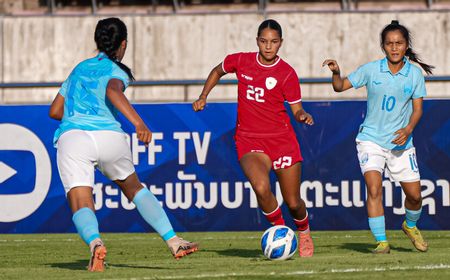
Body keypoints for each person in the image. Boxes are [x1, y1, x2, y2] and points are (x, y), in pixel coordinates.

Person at [49, 17, 198, 272]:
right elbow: (113, 90)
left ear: (97, 41)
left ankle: (96, 244)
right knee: (134, 188)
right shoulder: (117, 71)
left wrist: (78, 118)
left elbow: (55, 110)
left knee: (81, 200)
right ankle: (173, 241)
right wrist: (139, 124)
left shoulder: (79, 69)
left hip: (73, 138)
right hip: (109, 137)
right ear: (123, 44)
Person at [192, 19, 315, 257]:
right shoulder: (241, 60)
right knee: (260, 186)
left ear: (281, 43)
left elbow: (296, 109)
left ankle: (304, 230)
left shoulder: (287, 73)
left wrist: (302, 115)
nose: (268, 46)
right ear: (257, 41)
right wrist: (203, 95)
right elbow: (218, 70)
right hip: (249, 139)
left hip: (282, 140)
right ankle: (280, 231)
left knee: (293, 202)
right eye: (264, 41)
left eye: (274, 42)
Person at [323, 20, 433, 254]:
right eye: (389, 44)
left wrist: (408, 129)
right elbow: (340, 86)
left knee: (414, 197)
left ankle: (410, 225)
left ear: (406, 46)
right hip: (370, 139)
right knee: (374, 189)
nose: (394, 48)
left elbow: (418, 110)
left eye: (399, 43)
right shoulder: (371, 69)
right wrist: (336, 73)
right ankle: (382, 242)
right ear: (383, 46)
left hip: (401, 144)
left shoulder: (414, 74)